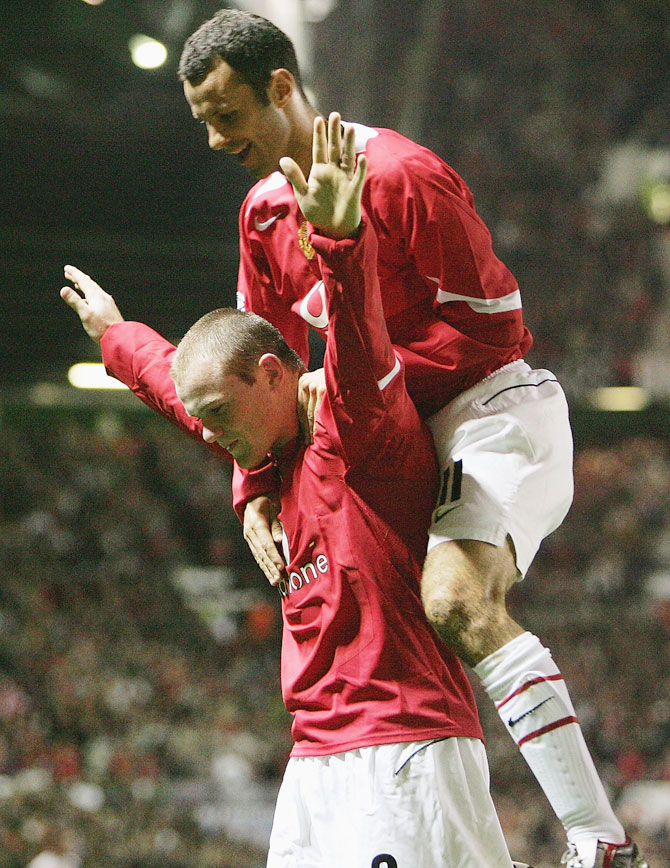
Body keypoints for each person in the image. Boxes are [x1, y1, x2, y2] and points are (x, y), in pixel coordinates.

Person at [174, 11, 649, 868]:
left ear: (282, 87)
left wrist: (370, 382)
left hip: (487, 409)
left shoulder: (403, 174)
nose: (213, 139)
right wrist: (254, 489)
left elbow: (495, 330)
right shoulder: (260, 215)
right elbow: (258, 367)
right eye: (201, 120)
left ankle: (599, 838)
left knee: (455, 600)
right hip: (383, 439)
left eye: (225, 114)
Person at [61, 114, 528, 868]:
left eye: (219, 415)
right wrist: (117, 336)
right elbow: (174, 385)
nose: (210, 435)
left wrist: (341, 241)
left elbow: (357, 331)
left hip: (404, 748)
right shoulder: (269, 462)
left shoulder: (362, 430)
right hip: (313, 763)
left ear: (274, 375)